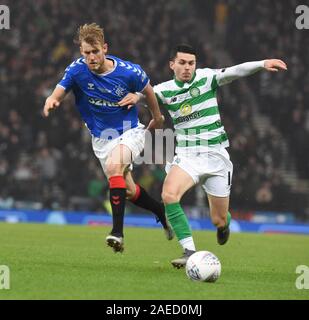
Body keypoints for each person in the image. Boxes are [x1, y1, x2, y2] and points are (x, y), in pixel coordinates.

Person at [137, 44, 287, 268]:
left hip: (216, 156)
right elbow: (143, 96)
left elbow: (235, 71)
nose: (187, 67)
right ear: (172, 65)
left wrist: (262, 64)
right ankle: (189, 250)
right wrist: (131, 96)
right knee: (169, 195)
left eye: (191, 63)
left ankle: (224, 225)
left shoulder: (207, 78)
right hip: (187, 156)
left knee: (217, 219)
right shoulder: (164, 90)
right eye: (182, 63)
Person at [43, 23, 174, 253]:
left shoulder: (128, 71)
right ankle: (160, 211)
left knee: (115, 167)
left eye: (95, 52)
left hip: (129, 131)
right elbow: (58, 91)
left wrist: (157, 117)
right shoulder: (76, 70)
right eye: (86, 53)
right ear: (81, 52)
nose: (91, 57)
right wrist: (52, 100)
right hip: (101, 140)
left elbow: (149, 91)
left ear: (105, 48)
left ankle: (117, 233)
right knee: (129, 191)